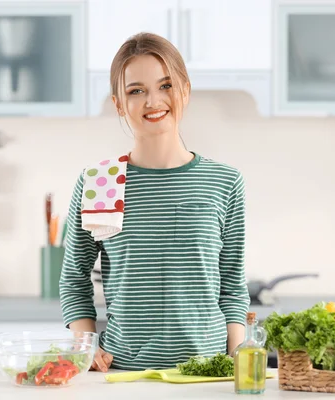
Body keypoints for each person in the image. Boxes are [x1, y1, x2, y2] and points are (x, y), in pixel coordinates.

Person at [59, 32, 250, 372]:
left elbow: (232, 284)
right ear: (119, 103)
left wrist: (237, 359)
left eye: (166, 86)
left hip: (207, 376)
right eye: (136, 91)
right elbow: (74, 279)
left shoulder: (224, 182)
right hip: (124, 375)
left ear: (185, 91)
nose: (153, 101)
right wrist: (85, 345)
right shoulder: (98, 183)